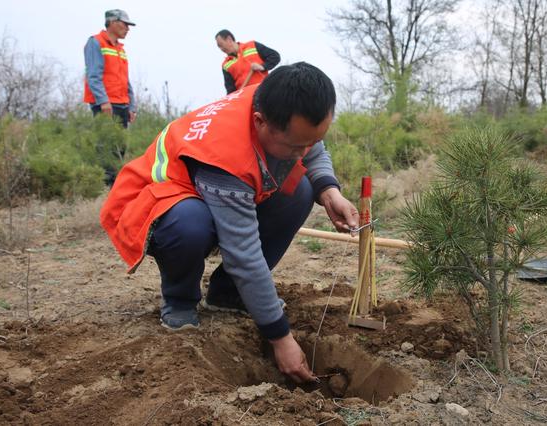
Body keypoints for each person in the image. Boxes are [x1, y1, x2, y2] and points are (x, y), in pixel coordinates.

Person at [100, 62, 359, 383]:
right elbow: (243, 253)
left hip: (209, 196)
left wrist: (328, 190)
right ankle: (180, 299)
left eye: (312, 140)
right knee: (190, 224)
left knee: (302, 188)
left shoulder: (277, 101)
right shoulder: (226, 156)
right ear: (260, 123)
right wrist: (280, 337)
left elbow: (313, 148)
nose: (304, 151)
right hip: (154, 206)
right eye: (296, 146)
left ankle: (227, 294)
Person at [84, 9, 137, 128]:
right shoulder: (96, 42)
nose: (128, 29)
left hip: (122, 104)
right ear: (113, 22)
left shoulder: (120, 49)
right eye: (125, 24)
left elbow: (125, 80)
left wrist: (131, 106)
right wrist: (103, 101)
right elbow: (93, 76)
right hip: (106, 105)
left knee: (120, 146)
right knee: (106, 144)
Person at [215, 29, 281, 94]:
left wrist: (262, 67)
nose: (221, 49)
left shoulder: (252, 45)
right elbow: (230, 89)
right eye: (219, 47)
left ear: (229, 39)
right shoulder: (226, 65)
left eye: (221, 45)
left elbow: (275, 56)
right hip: (245, 97)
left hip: (263, 91)